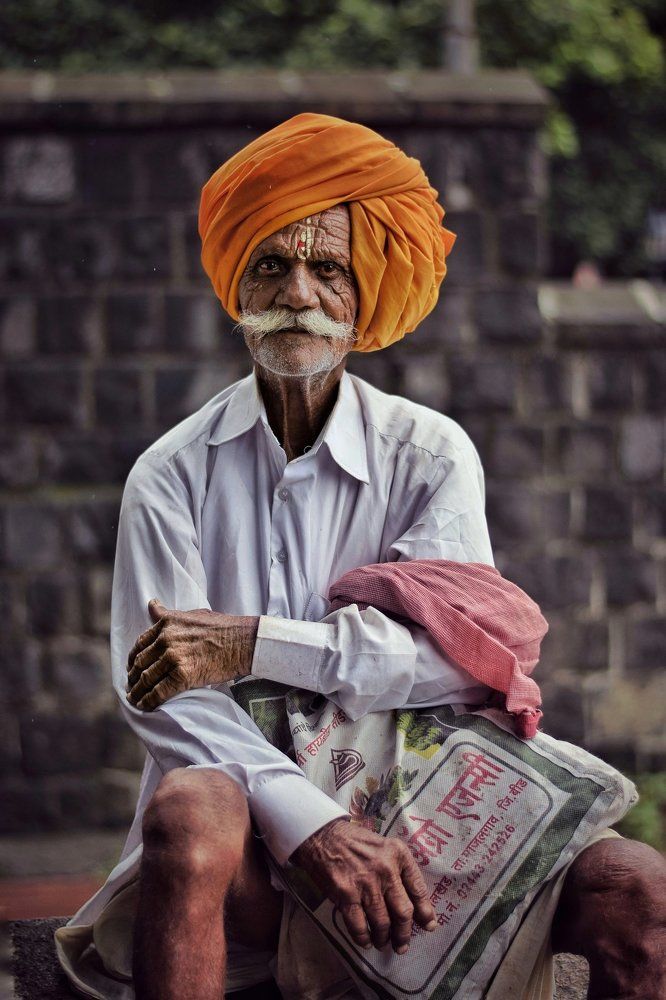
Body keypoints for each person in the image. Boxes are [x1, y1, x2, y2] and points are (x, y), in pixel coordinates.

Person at [55, 114, 665, 1000]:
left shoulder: (430, 454)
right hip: (255, 855)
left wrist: (254, 644)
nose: (296, 291)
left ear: (362, 296)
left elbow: (459, 666)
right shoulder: (170, 475)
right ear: (235, 287)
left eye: (327, 268)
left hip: (430, 819)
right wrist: (309, 825)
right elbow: (162, 697)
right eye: (270, 264)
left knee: (640, 891)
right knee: (189, 806)